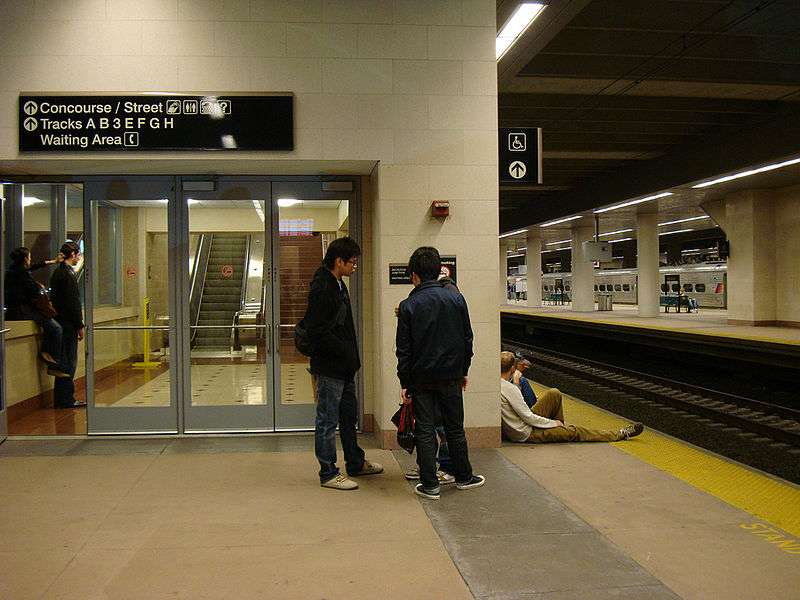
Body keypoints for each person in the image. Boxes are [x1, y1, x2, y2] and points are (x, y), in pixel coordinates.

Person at [397, 246, 484, 500]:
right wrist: (463, 369)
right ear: (438, 272)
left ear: (414, 275)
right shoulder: (456, 299)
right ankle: (464, 477)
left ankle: (430, 485)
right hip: (451, 376)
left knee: (424, 429)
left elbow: (404, 350)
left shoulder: (408, 305)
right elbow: (467, 338)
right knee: (455, 427)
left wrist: (405, 382)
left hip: (421, 379)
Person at [305, 236, 382, 490]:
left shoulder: (338, 284)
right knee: (327, 420)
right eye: (352, 262)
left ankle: (355, 462)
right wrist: (343, 352)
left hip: (345, 366)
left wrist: (350, 357)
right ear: (338, 261)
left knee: (348, 417)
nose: (354, 267)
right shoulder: (322, 288)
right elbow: (318, 331)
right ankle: (328, 471)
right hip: (330, 367)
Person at [500, 351, 643, 443]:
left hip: (521, 425)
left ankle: (561, 430)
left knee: (554, 393)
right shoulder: (509, 388)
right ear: (513, 368)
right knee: (576, 431)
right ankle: (620, 434)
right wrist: (553, 424)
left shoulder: (499, 385)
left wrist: (517, 384)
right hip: (527, 433)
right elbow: (528, 417)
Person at [4, 247, 69, 377]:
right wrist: (40, 286)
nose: (30, 260)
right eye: (29, 257)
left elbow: (33, 267)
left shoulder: (13, 271)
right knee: (56, 328)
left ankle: (48, 355)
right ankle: (51, 360)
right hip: (22, 310)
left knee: (50, 324)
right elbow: (33, 290)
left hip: (15, 309)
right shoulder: (21, 275)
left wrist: (51, 262)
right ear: (25, 259)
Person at [49, 241, 86, 408]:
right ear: (73, 255)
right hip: (68, 325)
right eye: (78, 254)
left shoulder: (58, 273)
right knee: (68, 362)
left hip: (62, 322)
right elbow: (73, 303)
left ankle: (62, 398)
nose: (79, 258)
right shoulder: (67, 275)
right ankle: (66, 399)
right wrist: (79, 325)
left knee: (65, 361)